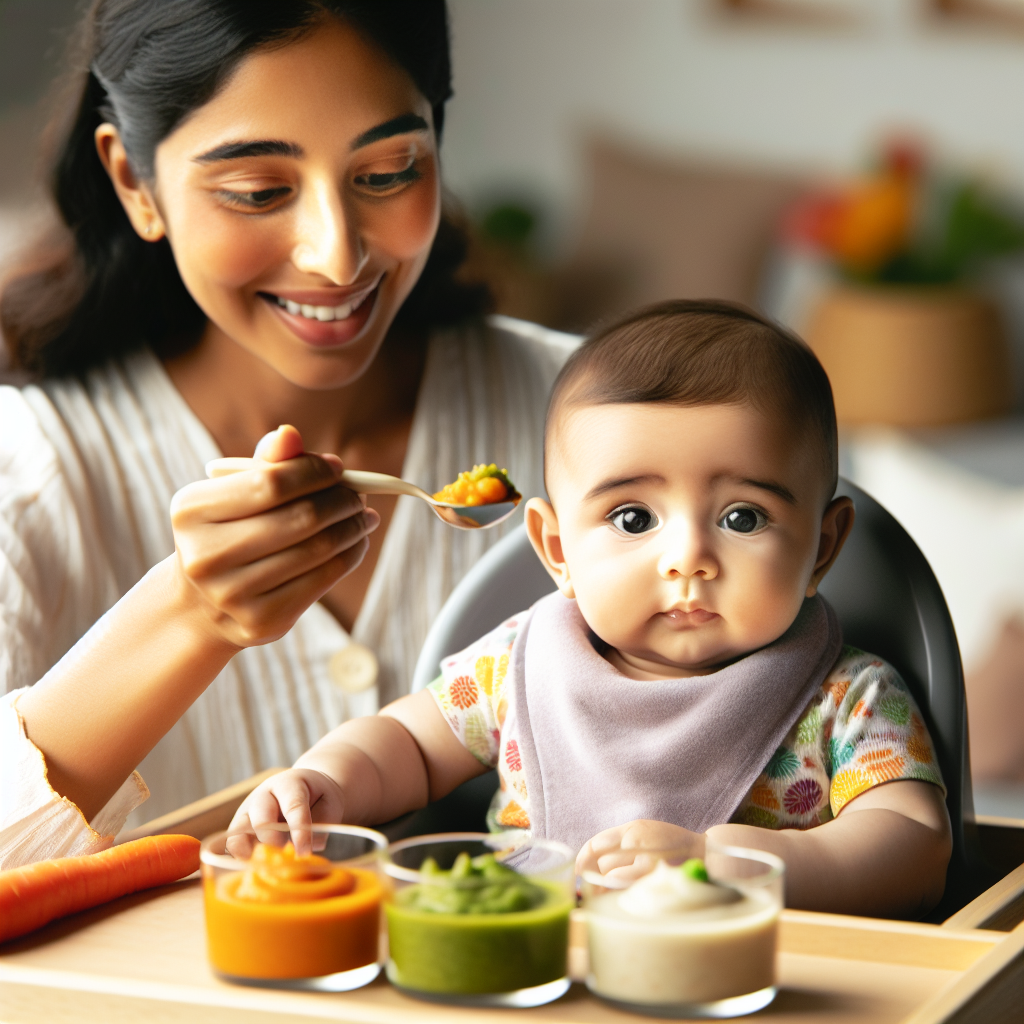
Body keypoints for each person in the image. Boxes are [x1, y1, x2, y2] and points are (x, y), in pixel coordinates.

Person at [0, 0, 575, 868]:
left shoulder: (587, 411)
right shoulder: (31, 466)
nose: (335, 257)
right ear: (135, 184)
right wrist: (187, 617)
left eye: (386, 173)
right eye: (257, 192)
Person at [234, 301, 952, 918]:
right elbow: (408, 748)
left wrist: (728, 866)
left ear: (821, 549)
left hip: (743, 982)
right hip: (528, 963)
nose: (688, 557)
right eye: (635, 519)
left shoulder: (848, 699)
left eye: (742, 517)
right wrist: (322, 782)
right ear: (556, 548)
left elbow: (915, 848)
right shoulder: (515, 667)